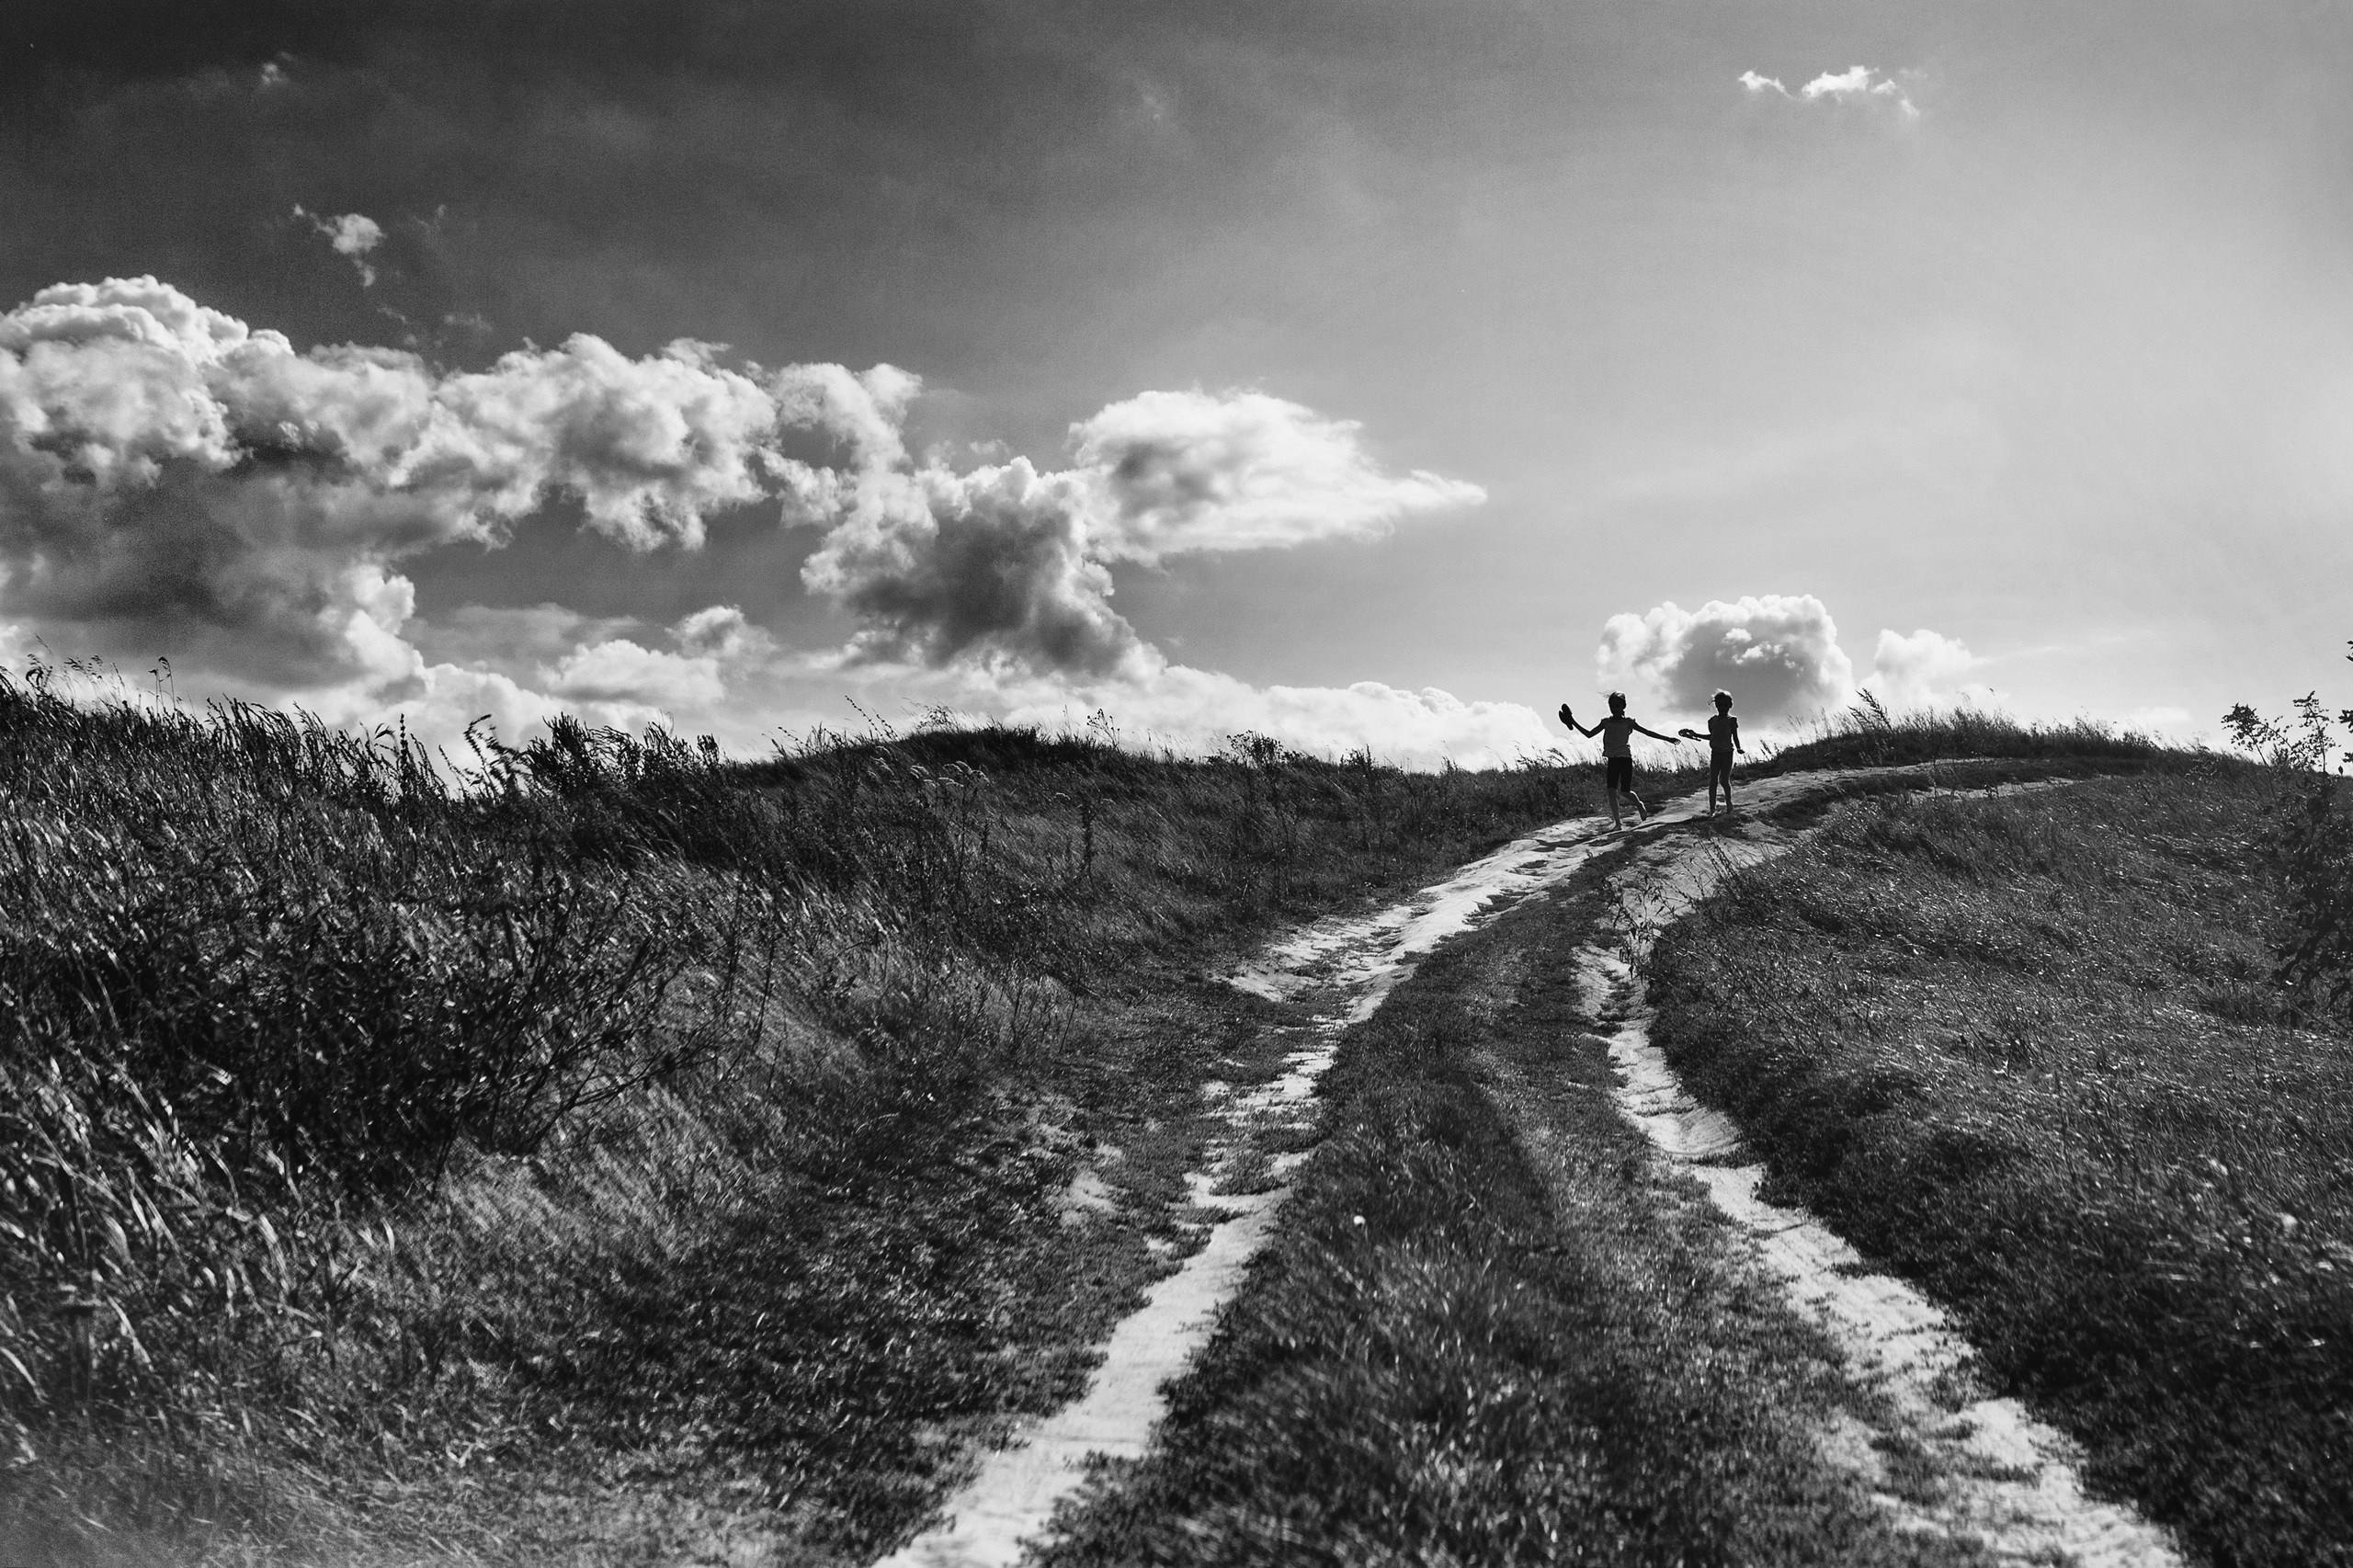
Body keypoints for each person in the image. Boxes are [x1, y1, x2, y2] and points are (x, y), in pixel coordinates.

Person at [1558, 692, 1689, 830]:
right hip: (1612, 760)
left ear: (1624, 706)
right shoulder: (1606, 722)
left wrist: (1667, 738)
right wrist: (1572, 721)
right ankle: (1618, 824)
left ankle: (1639, 805)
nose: (1614, 709)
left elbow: (1647, 732)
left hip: (1625, 759)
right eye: (1612, 706)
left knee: (1624, 792)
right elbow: (1589, 734)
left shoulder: (1628, 722)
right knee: (1611, 791)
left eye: (1617, 706)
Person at [1683, 689, 1743, 816]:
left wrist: (1738, 748)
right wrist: (1696, 734)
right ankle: (1712, 808)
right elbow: (1712, 736)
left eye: (1725, 705)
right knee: (1713, 781)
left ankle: (1729, 803)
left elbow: (1735, 736)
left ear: (1730, 705)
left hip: (1727, 753)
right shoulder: (1712, 721)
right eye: (1720, 705)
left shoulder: (1732, 720)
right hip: (1715, 753)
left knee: (1724, 780)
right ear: (1716, 706)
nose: (1722, 708)